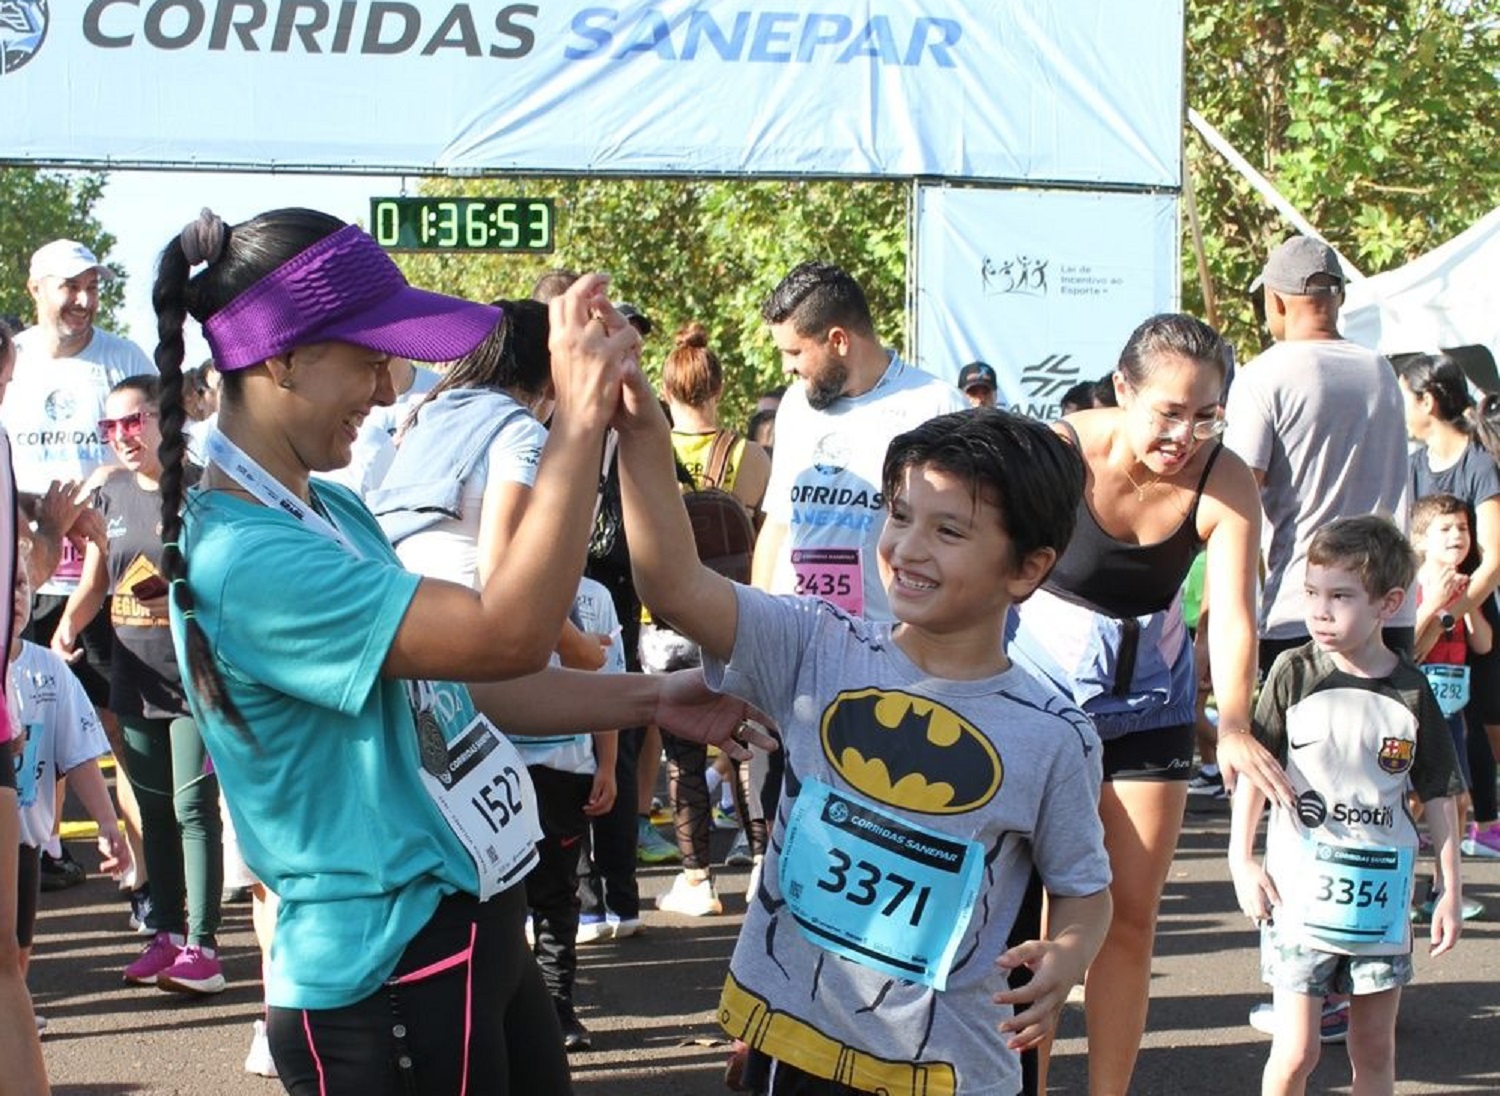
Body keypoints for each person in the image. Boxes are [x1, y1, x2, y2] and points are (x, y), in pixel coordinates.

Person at [152, 207, 771, 1095]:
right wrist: (576, 423)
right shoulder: (247, 559)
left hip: (467, 916)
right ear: (282, 359)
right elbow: (508, 631)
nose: (386, 390)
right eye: (368, 359)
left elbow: (471, 684)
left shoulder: (333, 509)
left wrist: (653, 699)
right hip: (383, 969)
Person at [617, 398, 1112, 1096]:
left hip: (951, 1066)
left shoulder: (1055, 734)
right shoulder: (815, 645)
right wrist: (642, 430)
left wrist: (1070, 952)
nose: (907, 548)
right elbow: (673, 586)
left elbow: (1083, 887)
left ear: (1027, 568)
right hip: (794, 1043)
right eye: (900, 515)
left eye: (948, 530)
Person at [1007, 313, 1285, 1095]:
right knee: (1038, 921)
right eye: (1168, 411)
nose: (1184, 435)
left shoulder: (1223, 478)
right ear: (1122, 390)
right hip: (1036, 705)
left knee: (1129, 917)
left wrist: (1234, 721)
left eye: (1206, 415)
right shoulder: (1058, 453)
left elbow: (1233, 614)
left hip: (1150, 706)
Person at [1226, 235, 1415, 1045]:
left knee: (1294, 790)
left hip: (1304, 610)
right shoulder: (1380, 372)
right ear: (1335, 297)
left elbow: (1239, 493)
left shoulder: (1267, 374)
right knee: (1375, 793)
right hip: (1388, 607)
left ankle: (1309, 987)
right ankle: (1361, 976)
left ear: (1276, 302)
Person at [1229, 515, 1463, 1096]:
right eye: (1312, 592)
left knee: (1374, 1048)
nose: (1320, 611)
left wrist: (1450, 889)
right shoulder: (1294, 672)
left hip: (1383, 899)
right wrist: (1242, 859)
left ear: (1389, 603)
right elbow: (1258, 770)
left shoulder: (1411, 690)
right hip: (1297, 894)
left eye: (1340, 596)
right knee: (1296, 1051)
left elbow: (1439, 792)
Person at [52, 375, 226, 993]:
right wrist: (68, 627)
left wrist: (181, 594)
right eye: (110, 427)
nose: (122, 436)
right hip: (134, 676)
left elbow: (227, 580)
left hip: (195, 679)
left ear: (164, 419)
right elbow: (97, 580)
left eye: (133, 421)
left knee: (192, 808)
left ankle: (205, 947)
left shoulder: (203, 490)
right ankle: (169, 935)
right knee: (153, 811)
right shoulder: (113, 494)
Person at [5, 238, 152, 901]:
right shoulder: (14, 358)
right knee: (25, 721)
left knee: (118, 727)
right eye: (70, 286)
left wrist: (104, 484)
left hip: (105, 572)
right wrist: (41, 513)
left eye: (93, 286)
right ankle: (39, 849)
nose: (84, 299)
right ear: (35, 288)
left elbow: (155, 448)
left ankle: (145, 877)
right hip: (25, 575)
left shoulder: (124, 359)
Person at [754, 261, 967, 623]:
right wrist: (757, 619)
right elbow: (778, 523)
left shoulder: (936, 404)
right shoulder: (794, 404)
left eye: (794, 352)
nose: (786, 368)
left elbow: (960, 537)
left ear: (838, 340)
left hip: (889, 640)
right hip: (795, 632)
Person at [643, 323, 771, 917]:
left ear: (666, 391)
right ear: (719, 388)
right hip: (734, 616)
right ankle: (763, 863)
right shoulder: (750, 456)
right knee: (745, 743)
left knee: (683, 757)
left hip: (664, 620)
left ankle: (696, 879)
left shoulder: (649, 453)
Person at [1393, 352, 1500, 860]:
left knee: (1480, 722)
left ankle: (1485, 822)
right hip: (1424, 610)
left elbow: (1493, 560)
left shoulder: (1479, 464)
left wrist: (1449, 615)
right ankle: (1429, 831)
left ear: (1427, 402)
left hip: (1471, 613)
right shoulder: (1412, 466)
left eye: (1404, 397)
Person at [10, 549, 131, 978]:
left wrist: (107, 823)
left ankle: (17, 1009)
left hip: (25, 842)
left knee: (18, 955)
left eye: (21, 585)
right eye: (4, 588)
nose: (15, 597)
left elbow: (78, 754)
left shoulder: (50, 670)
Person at [517, 575, 622, 1052]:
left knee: (558, 896)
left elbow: (607, 685)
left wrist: (607, 765)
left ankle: (558, 1006)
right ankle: (509, 1010)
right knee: (499, 899)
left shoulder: (594, 596)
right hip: (495, 764)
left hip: (566, 769)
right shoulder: (487, 575)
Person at [1409, 493, 1489, 920]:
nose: (1458, 535)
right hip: (1417, 708)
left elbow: (1483, 644)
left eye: (1463, 528)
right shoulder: (1413, 584)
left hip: (1452, 709)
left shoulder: (1467, 587)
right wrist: (1436, 606)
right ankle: (1401, 884)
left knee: (1457, 800)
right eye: (1446, 528)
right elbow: (1410, 647)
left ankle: (1444, 888)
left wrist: (1467, 606)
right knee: (1414, 800)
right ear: (1421, 539)